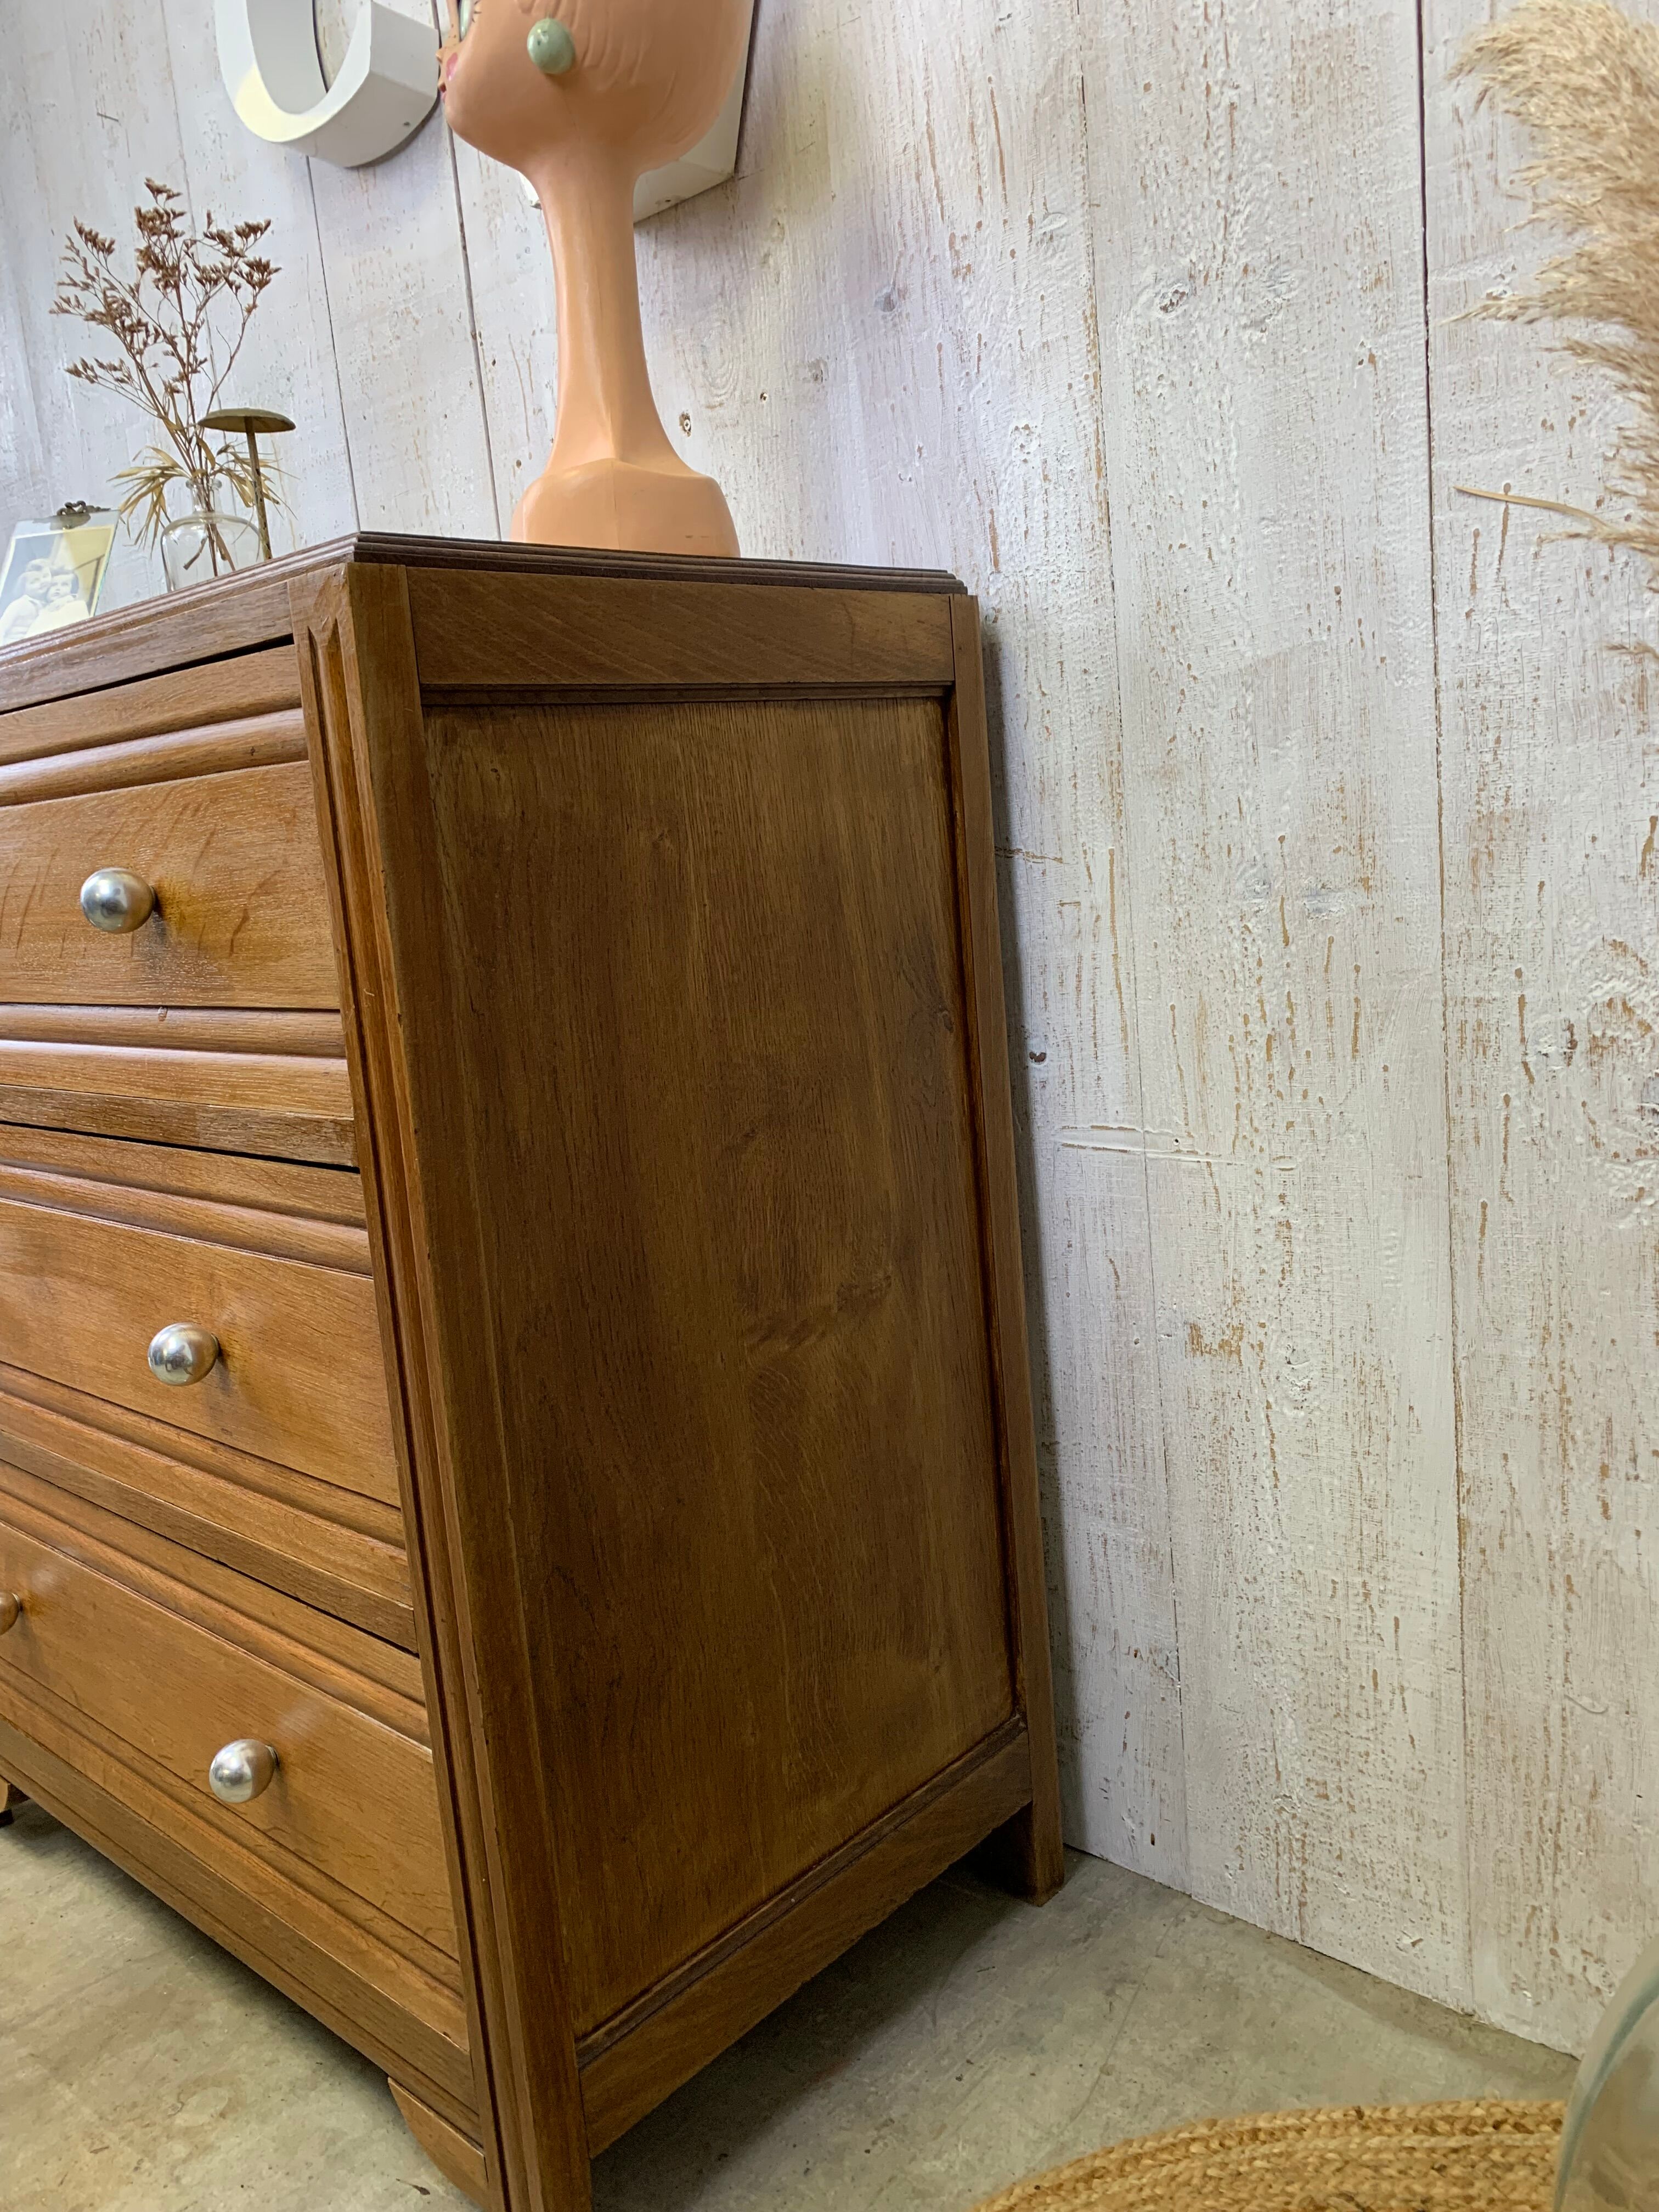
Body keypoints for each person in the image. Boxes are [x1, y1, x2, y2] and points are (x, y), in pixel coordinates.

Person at [0, 556, 54, 647]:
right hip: (12, 646)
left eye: (45, 576)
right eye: (34, 582)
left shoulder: (46, 603)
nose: (42, 582)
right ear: (23, 588)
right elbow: (2, 627)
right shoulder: (19, 604)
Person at [24, 567, 90, 635]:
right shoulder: (39, 611)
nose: (58, 588)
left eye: (65, 585)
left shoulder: (77, 606)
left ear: (72, 590)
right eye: (54, 585)